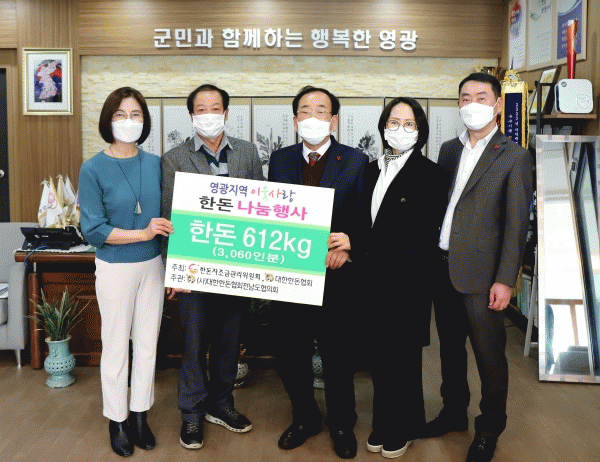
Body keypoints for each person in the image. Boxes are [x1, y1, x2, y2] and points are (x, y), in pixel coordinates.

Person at [423, 73, 533, 462]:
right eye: (465, 97)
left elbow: (516, 225)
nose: (472, 103)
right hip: (443, 267)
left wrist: (505, 279)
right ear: (458, 104)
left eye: (482, 97)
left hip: (483, 276)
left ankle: (489, 427)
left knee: (489, 356)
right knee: (450, 350)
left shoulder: (514, 156)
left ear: (498, 104)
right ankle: (453, 412)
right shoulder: (449, 150)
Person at [267, 85, 368, 459]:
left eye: (321, 110)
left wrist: (349, 244)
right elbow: (272, 211)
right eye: (305, 111)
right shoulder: (280, 159)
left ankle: (342, 424)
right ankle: (305, 418)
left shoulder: (356, 160)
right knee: (291, 354)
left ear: (334, 120)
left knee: (338, 356)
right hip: (290, 275)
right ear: (295, 121)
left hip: (336, 277)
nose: (313, 117)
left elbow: (365, 215)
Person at [161, 84, 263, 450]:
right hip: (194, 271)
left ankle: (222, 404)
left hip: (237, 268)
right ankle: (192, 412)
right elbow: (169, 218)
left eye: (215, 108)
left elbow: (261, 208)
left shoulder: (247, 153)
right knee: (194, 344)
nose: (208, 115)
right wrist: (174, 271)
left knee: (228, 343)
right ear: (191, 116)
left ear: (226, 113)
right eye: (201, 109)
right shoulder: (174, 159)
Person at [79, 87, 174, 457]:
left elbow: (171, 215)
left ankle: (139, 415)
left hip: (153, 265)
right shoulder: (93, 168)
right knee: (117, 345)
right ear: (108, 120)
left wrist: (175, 267)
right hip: (115, 267)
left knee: (148, 345)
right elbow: (94, 230)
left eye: (136, 115)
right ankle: (116, 419)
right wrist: (142, 233)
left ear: (144, 122)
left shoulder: (156, 164)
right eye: (120, 114)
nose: (128, 121)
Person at [360, 98, 449, 459]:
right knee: (378, 356)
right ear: (383, 127)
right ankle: (383, 421)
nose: (400, 129)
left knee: (404, 357)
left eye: (409, 123)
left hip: (408, 281)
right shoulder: (369, 170)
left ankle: (406, 424)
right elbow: (362, 222)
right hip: (371, 279)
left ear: (420, 131)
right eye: (393, 122)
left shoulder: (431, 174)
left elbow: (422, 234)